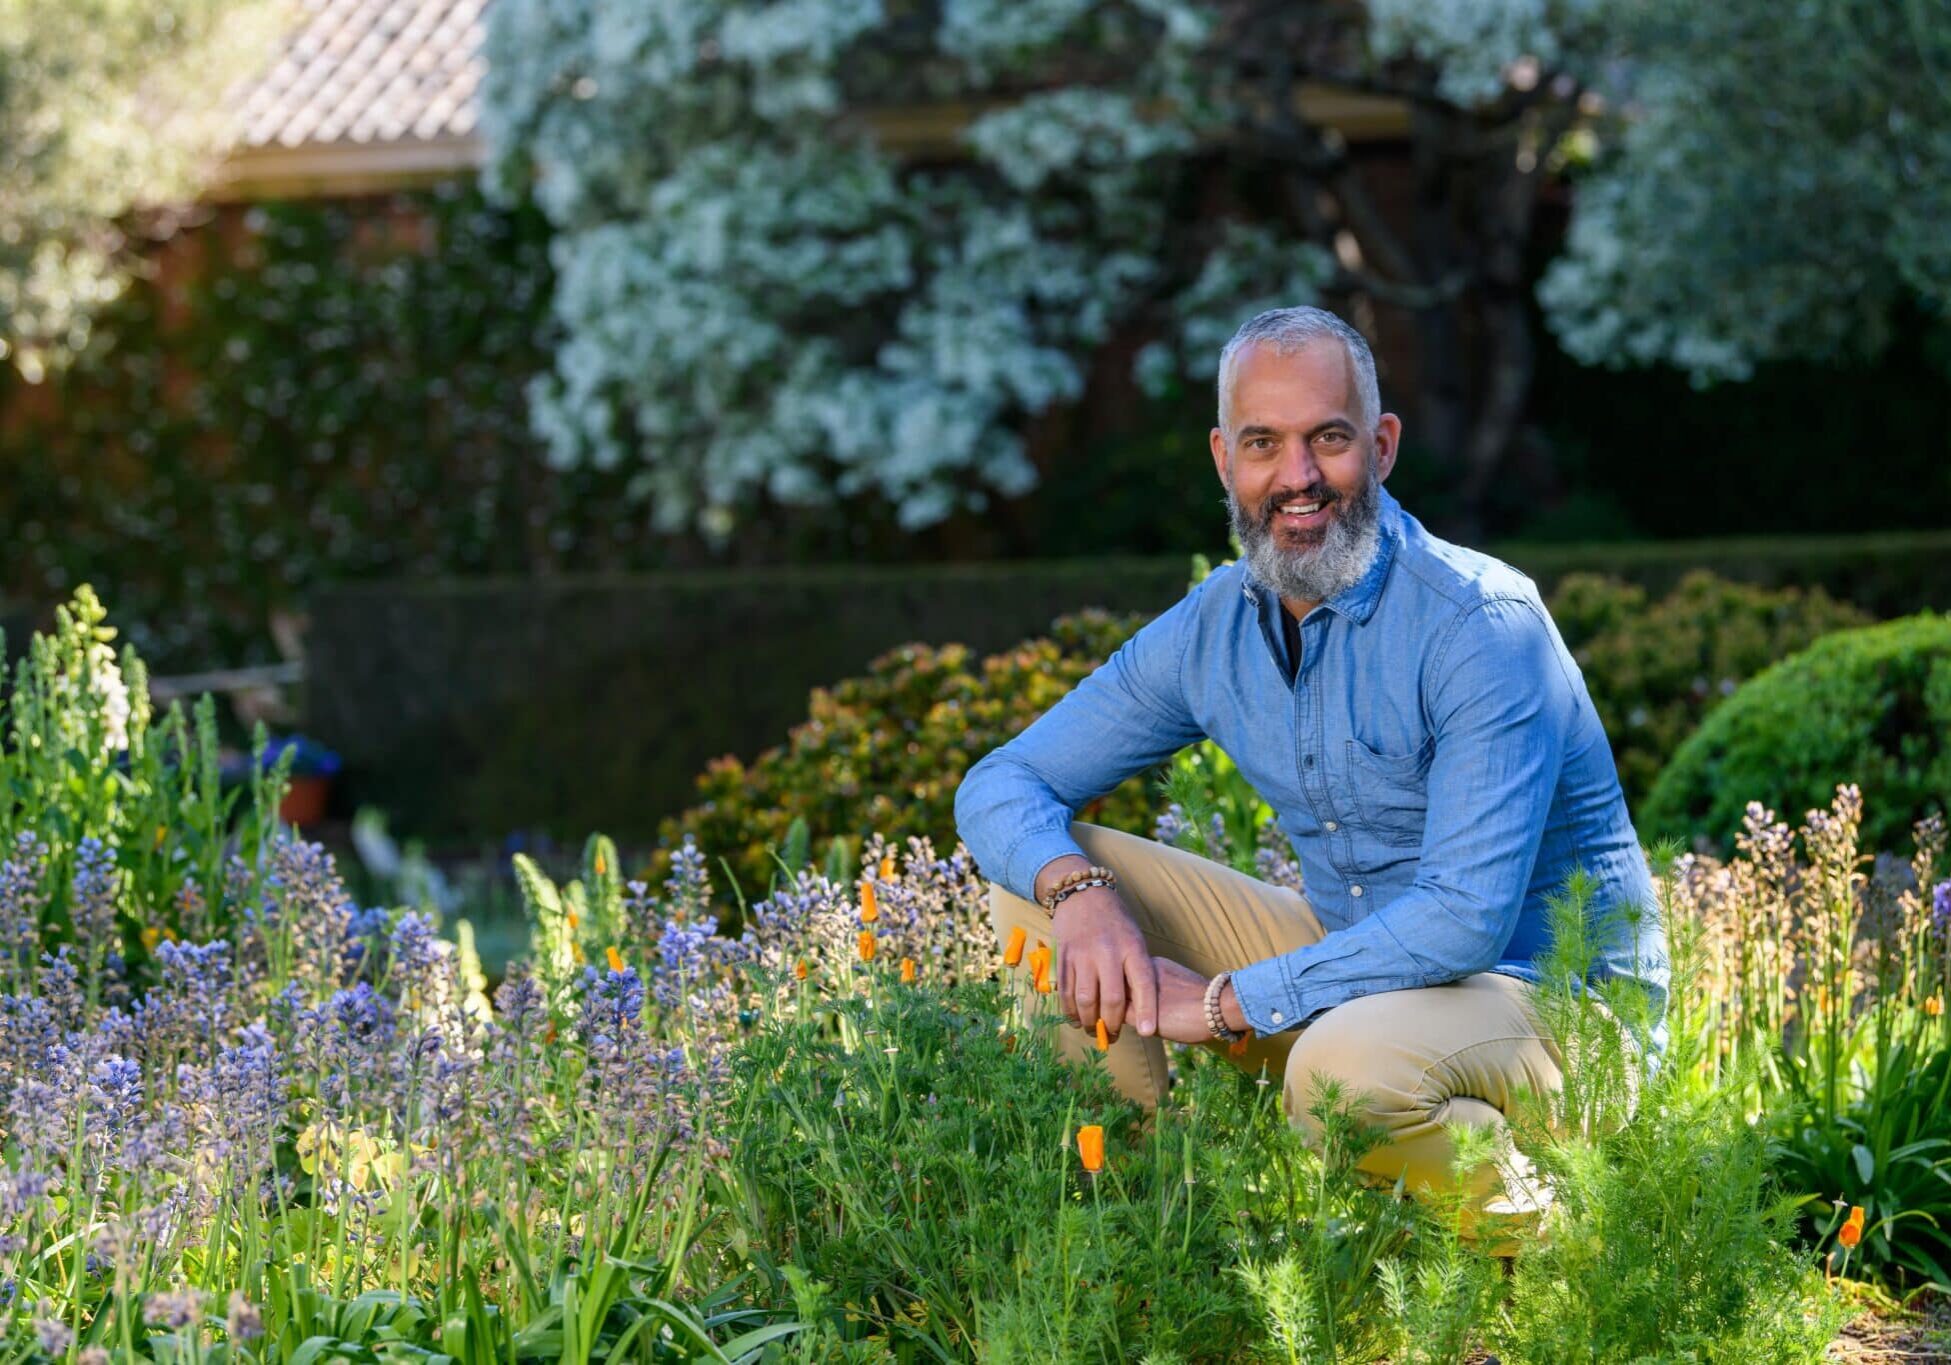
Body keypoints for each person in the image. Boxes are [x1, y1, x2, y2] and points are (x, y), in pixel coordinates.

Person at [952, 305, 1667, 1211]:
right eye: (1262, 443)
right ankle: (1140, 1222)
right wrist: (1078, 893)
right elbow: (1002, 782)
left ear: (1382, 445)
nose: (1296, 477)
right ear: (1223, 459)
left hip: (1552, 1015)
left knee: (1342, 1070)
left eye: (1327, 438)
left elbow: (1461, 920)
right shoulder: (1212, 627)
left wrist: (1225, 1004)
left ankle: (1564, 1242)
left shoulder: (1480, 624)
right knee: (1036, 889)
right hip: (1356, 982)